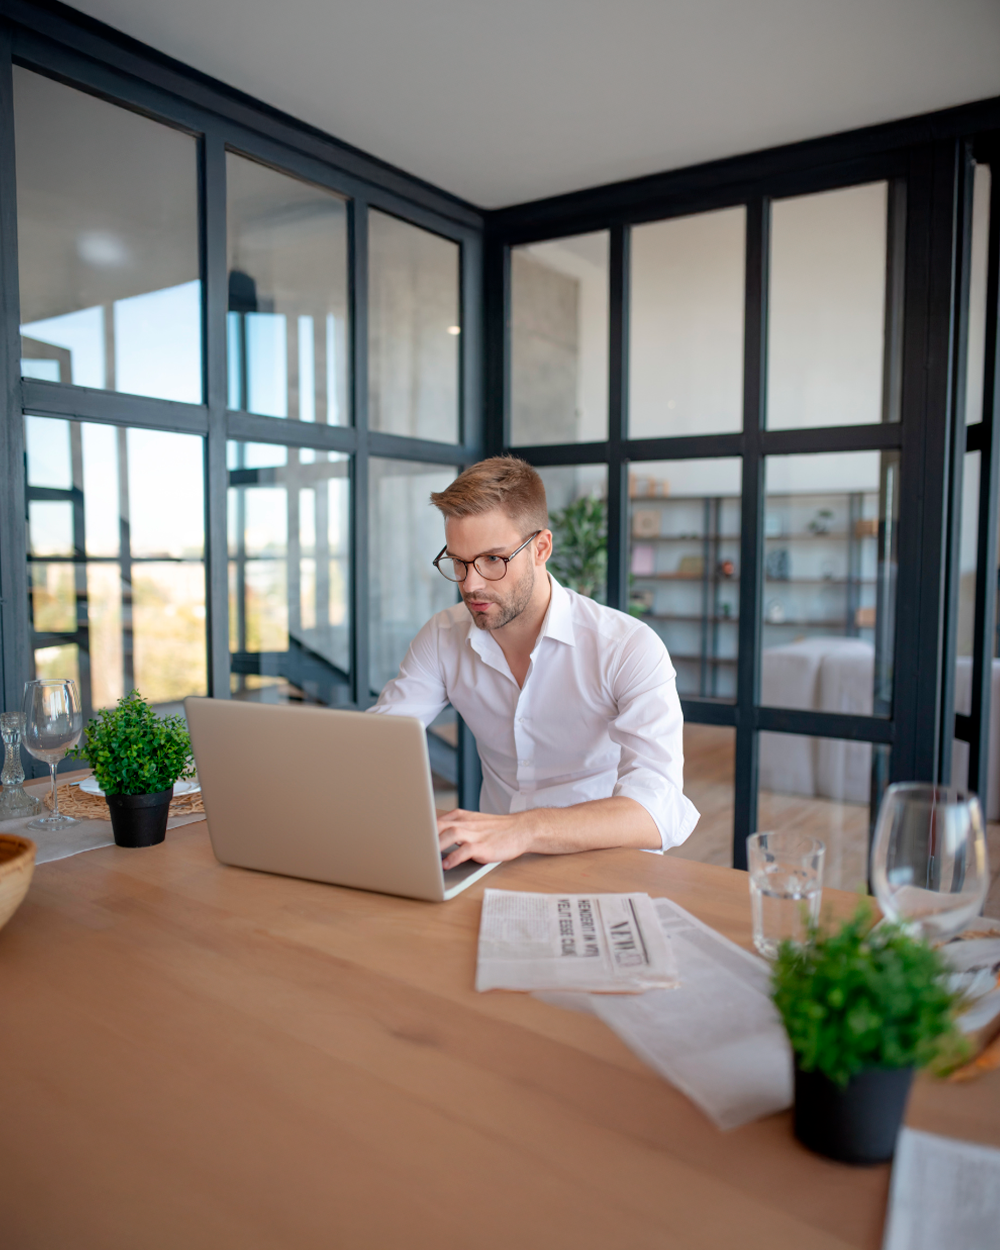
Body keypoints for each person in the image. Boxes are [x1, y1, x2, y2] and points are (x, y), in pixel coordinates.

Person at [370, 456, 699, 869]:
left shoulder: (627, 647)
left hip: (603, 868)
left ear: (541, 547)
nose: (470, 584)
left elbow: (658, 810)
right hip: (490, 866)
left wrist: (523, 829)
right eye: (458, 561)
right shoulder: (442, 637)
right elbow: (375, 746)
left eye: (493, 559)